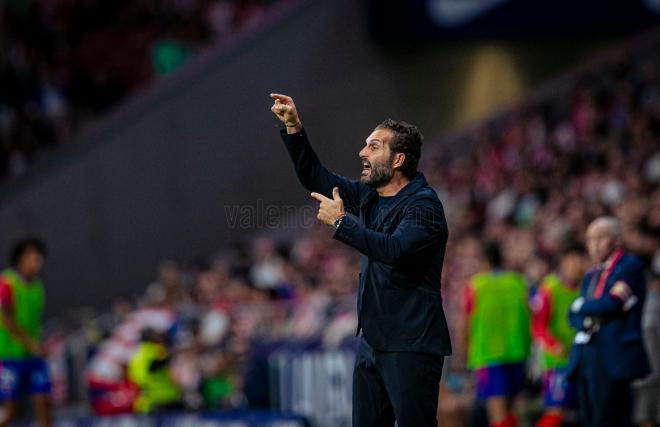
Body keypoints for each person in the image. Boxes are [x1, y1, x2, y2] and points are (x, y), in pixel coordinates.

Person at [270, 93, 450, 427]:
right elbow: (316, 178)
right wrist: (294, 127)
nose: (362, 153)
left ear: (397, 160)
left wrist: (342, 223)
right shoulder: (370, 195)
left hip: (411, 343)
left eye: (374, 146)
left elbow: (394, 250)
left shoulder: (424, 207)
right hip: (372, 342)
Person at [567, 217, 650, 427]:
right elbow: (573, 316)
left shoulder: (628, 265)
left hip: (611, 354)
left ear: (616, 239)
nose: (593, 245)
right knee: (590, 418)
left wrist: (582, 307)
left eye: (600, 238)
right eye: (589, 239)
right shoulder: (590, 275)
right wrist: (582, 310)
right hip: (586, 351)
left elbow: (612, 304)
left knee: (609, 418)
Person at [464, 242, 531, 427]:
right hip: (517, 352)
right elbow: (528, 313)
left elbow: (466, 320)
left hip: (489, 355)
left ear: (484, 261)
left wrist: (465, 349)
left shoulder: (476, 284)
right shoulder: (518, 281)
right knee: (511, 410)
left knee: (497, 412)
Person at [0, 237, 52, 427]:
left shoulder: (38, 287)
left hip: (34, 358)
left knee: (45, 406)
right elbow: (6, 320)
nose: (37, 263)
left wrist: (40, 345)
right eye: (32, 258)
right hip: (9, 357)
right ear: (20, 259)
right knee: (10, 412)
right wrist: (31, 344)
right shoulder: (6, 283)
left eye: (39, 259)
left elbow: (33, 323)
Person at [532, 245, 586, 427]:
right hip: (557, 363)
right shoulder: (550, 288)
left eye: (580, 260)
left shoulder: (586, 288)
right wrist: (554, 344)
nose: (577, 265)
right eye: (573, 260)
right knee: (557, 411)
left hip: (581, 360)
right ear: (564, 262)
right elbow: (538, 325)